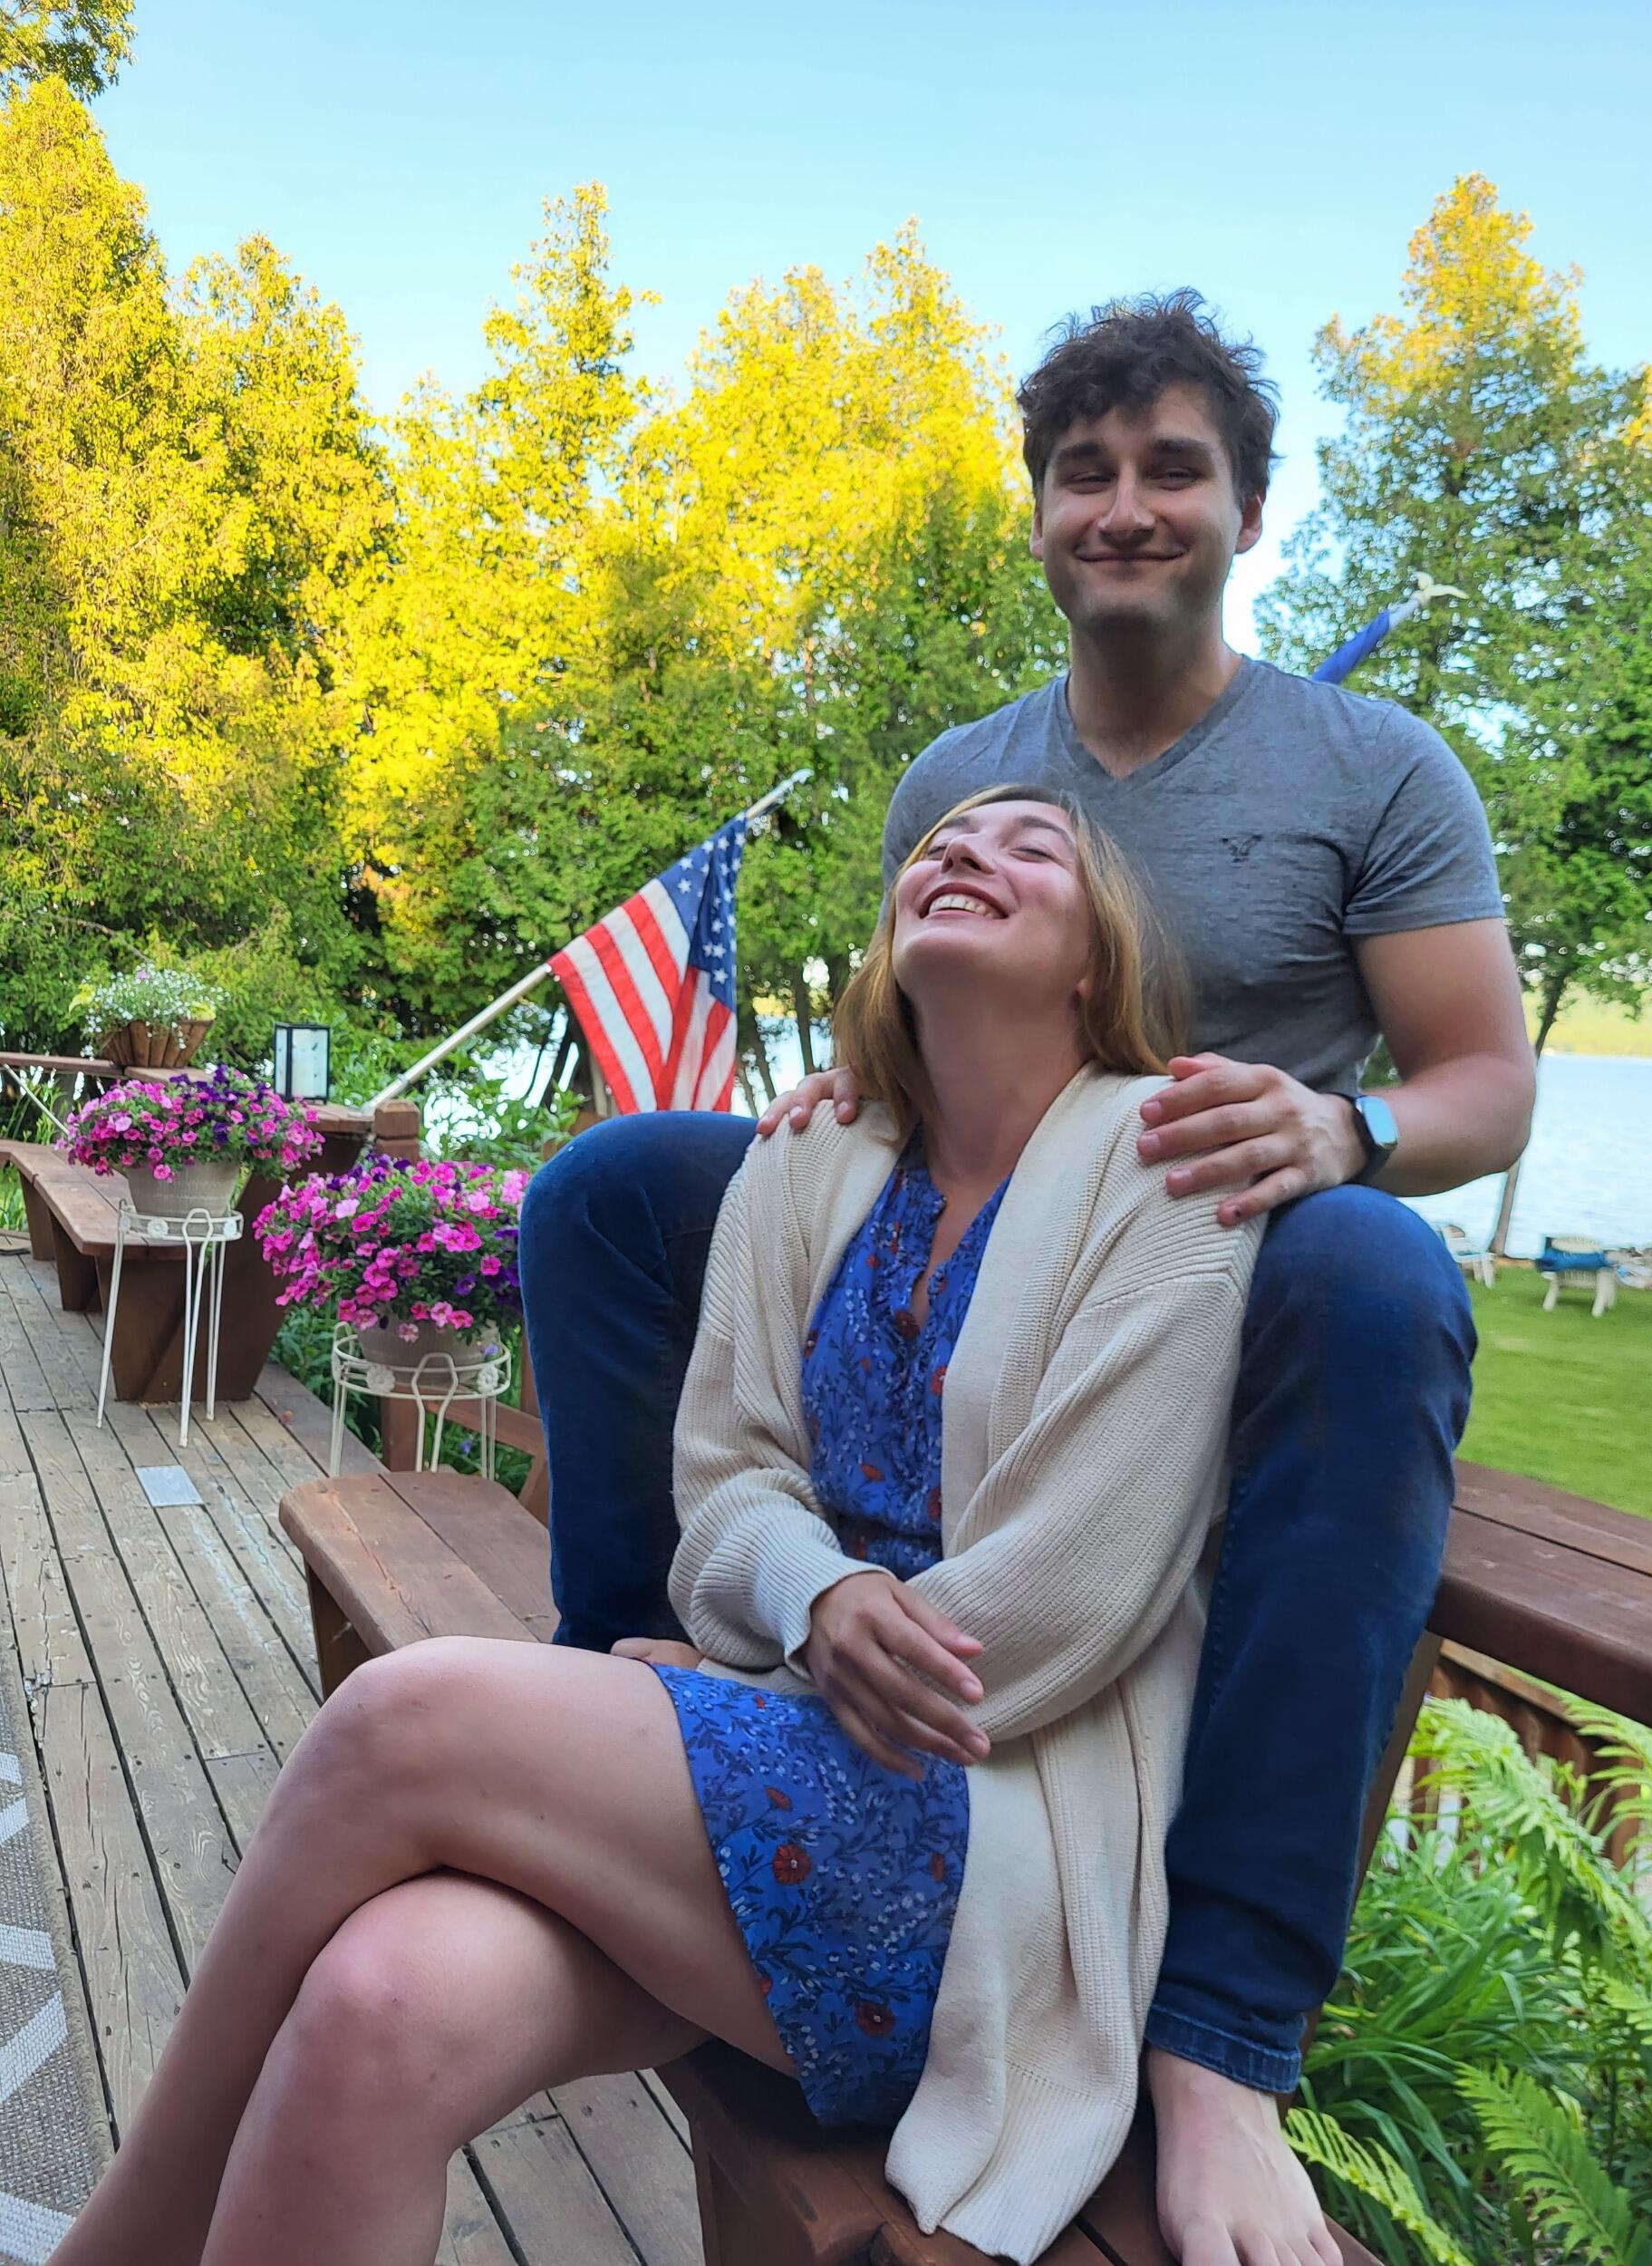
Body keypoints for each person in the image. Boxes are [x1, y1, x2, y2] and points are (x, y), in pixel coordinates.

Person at [519, 293, 1536, 2265]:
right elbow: (903, 1026)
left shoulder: (1372, 765)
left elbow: (1483, 1077)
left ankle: (1223, 2039)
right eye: (1087, 470)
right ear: (1041, 511)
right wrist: (837, 1092)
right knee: (620, 1183)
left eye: (1172, 468)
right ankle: (656, 1666)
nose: (1125, 502)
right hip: (972, 1210)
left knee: (1376, 1277)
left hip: (1218, 1257)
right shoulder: (962, 770)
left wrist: (1347, 1133)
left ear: (1248, 511)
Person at [53, 791, 1261, 2266]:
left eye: (1031, 848)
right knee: (380, 2007)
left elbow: (1068, 1595)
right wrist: (809, 1601)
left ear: (1095, 960)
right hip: (780, 1769)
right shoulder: (812, 1156)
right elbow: (729, 1482)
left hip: (994, 1832)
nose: (964, 853)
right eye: (941, 843)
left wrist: (754, 1672)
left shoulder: (1173, 1176)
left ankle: (127, 2231)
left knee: (400, 1718)